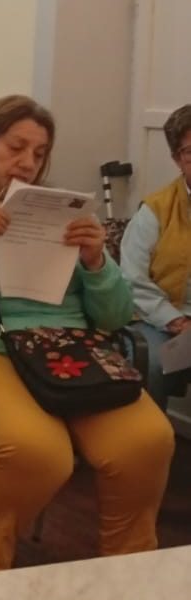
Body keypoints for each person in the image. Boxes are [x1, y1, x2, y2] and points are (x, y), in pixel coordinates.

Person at [0, 94, 173, 575]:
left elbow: (114, 318)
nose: (27, 162)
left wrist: (96, 263)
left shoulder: (59, 211)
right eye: (15, 147)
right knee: (35, 450)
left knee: (147, 439)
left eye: (39, 152)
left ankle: (129, 574)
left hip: (63, 347)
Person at [121, 104, 191, 410]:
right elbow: (132, 280)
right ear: (177, 159)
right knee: (151, 361)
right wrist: (177, 321)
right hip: (161, 318)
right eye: (190, 151)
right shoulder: (155, 210)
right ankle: (153, 436)